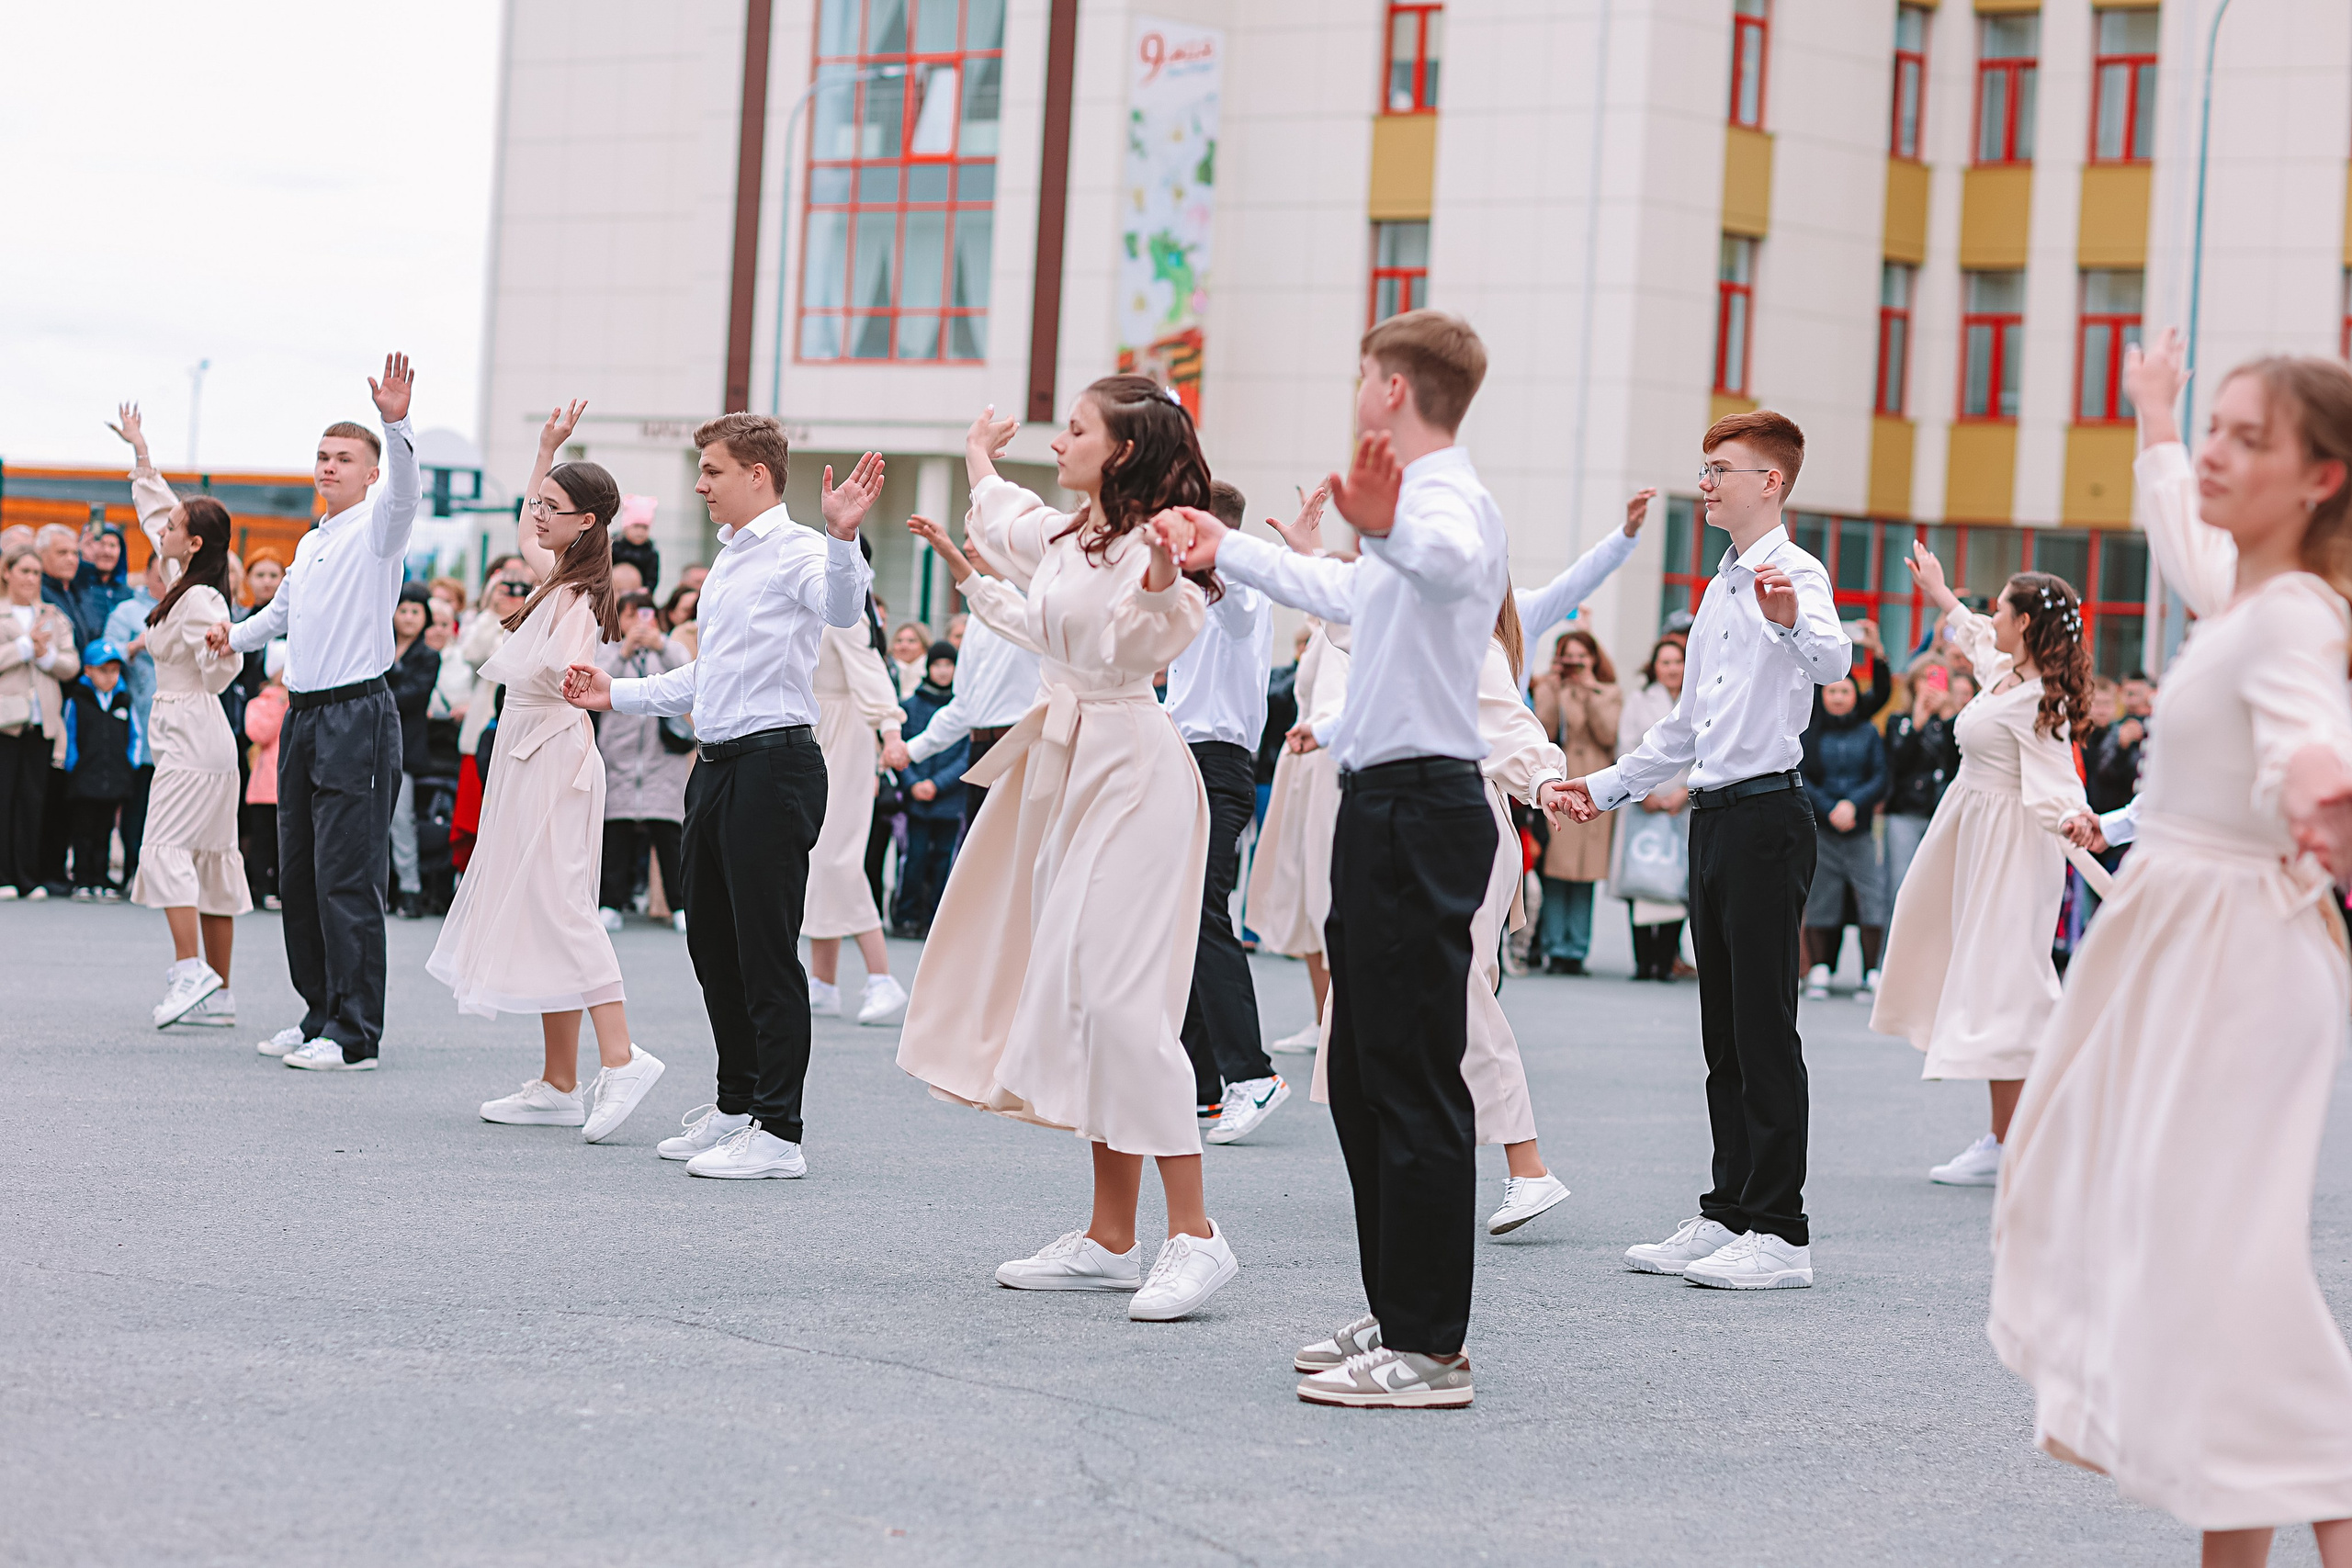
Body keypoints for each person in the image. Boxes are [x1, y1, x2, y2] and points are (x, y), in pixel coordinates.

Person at [1996, 332, 2352, 1566]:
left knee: (2220, 1265)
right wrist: (2155, 415)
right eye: (2220, 424)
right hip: (2207, 948)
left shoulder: (2294, 617)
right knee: (2201, 1263)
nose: (2217, 450)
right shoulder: (2246, 593)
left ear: (2321, 479)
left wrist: (2325, 792)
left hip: (2238, 964)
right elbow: (2191, 547)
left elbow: (2308, 728)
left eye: (2251, 439)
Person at [1164, 310, 1528, 1406]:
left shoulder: (1444, 497)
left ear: (1390, 390)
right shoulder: (1408, 506)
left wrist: (1388, 529)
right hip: (1385, 802)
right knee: (1366, 1076)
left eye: (1363, 372)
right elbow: (1348, 594)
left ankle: (1430, 1350)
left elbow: (1448, 559)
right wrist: (1227, 547)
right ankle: (1401, 1306)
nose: (1354, 386)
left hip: (1422, 803)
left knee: (1410, 1078)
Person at [897, 381, 1236, 1325]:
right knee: (1085, 994)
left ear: (1122, 450)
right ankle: (1111, 1237)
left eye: (1077, 429)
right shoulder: (1068, 538)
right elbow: (1012, 531)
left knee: (1123, 999)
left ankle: (1197, 1234)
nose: (1059, 440)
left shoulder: (1153, 546)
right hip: (1070, 768)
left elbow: (1149, 634)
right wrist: (975, 456)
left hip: (1133, 770)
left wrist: (1166, 576)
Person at [1562, 408, 1849, 1292]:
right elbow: (1684, 729)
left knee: (1766, 1028)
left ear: (1773, 482)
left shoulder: (1793, 572)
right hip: (1715, 815)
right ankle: (1728, 1210)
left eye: (1723, 467)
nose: (1707, 480)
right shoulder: (1721, 584)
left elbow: (1834, 664)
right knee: (1722, 1031)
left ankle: (1782, 1232)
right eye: (1705, 465)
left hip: (1770, 818)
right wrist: (1601, 788)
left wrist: (1794, 620)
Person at [563, 416, 885, 1179]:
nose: (701, 484)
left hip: (776, 767)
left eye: (711, 471)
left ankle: (780, 1131)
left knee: (765, 951)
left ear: (758, 476)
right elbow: (707, 679)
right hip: (717, 765)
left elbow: (842, 611)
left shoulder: (805, 547)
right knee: (711, 943)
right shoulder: (732, 558)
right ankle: (737, 1104)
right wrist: (618, 692)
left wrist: (842, 538)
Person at [431, 401, 664, 1143]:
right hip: (528, 750)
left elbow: (577, 671)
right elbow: (526, 532)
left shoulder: (583, 596)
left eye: (553, 508)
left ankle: (620, 1058)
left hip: (555, 754)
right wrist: (544, 450)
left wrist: (574, 672)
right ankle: (561, 1081)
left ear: (587, 522)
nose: (538, 515)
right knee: (539, 905)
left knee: (562, 905)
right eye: (538, 504)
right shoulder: (560, 577)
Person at [210, 353, 422, 1072]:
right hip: (302, 720)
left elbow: (406, 494)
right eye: (323, 457)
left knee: (346, 877)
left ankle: (356, 1034)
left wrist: (394, 424)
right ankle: (318, 1012)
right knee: (297, 875)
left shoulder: (378, 529)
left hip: (357, 716)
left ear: (369, 473)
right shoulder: (311, 540)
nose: (329, 467)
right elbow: (280, 614)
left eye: (344, 458)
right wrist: (229, 636)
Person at [1869, 544, 2091, 1186]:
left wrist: (2076, 821)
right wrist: (1939, 592)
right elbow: (1970, 636)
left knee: (2008, 983)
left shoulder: (2039, 698)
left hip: (2013, 845)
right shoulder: (2004, 671)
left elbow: (2055, 778)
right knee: (1986, 976)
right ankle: (2012, 1136)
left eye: (2000, 610)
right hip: (1972, 831)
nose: (1990, 618)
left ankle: (2013, 1139)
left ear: (2024, 623)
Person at [114, 405, 254, 1027]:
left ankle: (191, 969)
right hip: (199, 733)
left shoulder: (199, 598)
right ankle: (220, 994)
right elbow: (154, 508)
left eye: (173, 527)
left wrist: (222, 648)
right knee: (210, 856)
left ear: (193, 542)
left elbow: (222, 669)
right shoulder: (187, 577)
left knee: (163, 845)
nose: (162, 530)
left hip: (193, 728)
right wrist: (142, 453)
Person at [1164, 479, 1284, 1143]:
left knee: (1206, 915)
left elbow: (1235, 614)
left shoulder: (1240, 585)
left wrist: (1215, 553)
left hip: (1220, 764)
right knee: (1183, 918)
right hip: (1182, 759)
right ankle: (1202, 1083)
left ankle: (1253, 1075)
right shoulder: (1188, 593)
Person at [804, 558, 912, 1025]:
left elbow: (871, 673)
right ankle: (823, 984)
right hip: (814, 729)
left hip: (844, 737)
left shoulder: (847, 613)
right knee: (818, 857)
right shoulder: (814, 602)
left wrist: (890, 732)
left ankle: (882, 978)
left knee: (837, 857)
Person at [902, 528, 1043, 844]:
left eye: (976, 536)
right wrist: (912, 750)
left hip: (1020, 749)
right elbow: (965, 704)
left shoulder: (1034, 599)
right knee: (979, 856)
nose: (967, 546)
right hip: (980, 752)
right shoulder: (977, 616)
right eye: (964, 537)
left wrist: (953, 559)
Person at [594, 589, 692, 932]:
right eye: (631, 614)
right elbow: (597, 682)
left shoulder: (668, 647)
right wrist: (624, 651)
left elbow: (688, 674)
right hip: (618, 754)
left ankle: (681, 906)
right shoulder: (605, 648)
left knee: (668, 833)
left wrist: (659, 646)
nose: (638, 622)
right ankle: (610, 902)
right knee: (616, 832)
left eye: (645, 614)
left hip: (660, 756)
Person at [1799, 658, 1893, 1001]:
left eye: (1845, 692)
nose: (1838, 698)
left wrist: (1854, 804)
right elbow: (1803, 776)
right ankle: (1821, 968)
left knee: (1871, 897)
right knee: (1822, 897)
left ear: (1855, 695)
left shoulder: (1869, 732)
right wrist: (1829, 808)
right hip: (1823, 828)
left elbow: (1880, 776)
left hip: (1860, 829)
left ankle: (1871, 971)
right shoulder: (1810, 731)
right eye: (1833, 691)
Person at [1530, 629, 1621, 974]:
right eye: (1569, 657)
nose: (1575, 664)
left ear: (1594, 659)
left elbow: (1608, 734)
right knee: (1557, 869)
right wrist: (1552, 689)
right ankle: (1554, 948)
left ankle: (1576, 950)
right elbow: (1544, 731)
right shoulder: (1551, 689)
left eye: (1581, 657)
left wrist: (1587, 688)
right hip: (1561, 781)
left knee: (1585, 874)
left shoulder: (1609, 692)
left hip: (1594, 785)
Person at [1610, 633, 1692, 981]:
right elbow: (1625, 746)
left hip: (1684, 802)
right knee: (1641, 876)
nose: (1673, 668)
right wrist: (1645, 795)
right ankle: (1644, 960)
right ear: (1654, 667)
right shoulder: (1639, 701)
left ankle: (1666, 958)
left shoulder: (1700, 698)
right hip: (1643, 799)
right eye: (1666, 662)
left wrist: (1684, 793)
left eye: (1678, 661)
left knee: (1677, 880)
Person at [2, 547, 81, 898]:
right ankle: (3, 876)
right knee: (4, 798)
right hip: (5, 722)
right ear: (7, 573)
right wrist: (23, 646)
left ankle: (27, 877)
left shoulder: (53, 616)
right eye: (25, 571)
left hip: (42, 722)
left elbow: (71, 664)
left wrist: (45, 654)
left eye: (36, 572)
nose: (32, 579)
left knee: (34, 800)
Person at [891, 640, 966, 935]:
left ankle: (936, 920)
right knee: (915, 857)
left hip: (949, 797)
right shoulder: (910, 706)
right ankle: (906, 916)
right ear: (928, 667)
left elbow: (965, 757)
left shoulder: (962, 706)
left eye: (949, 665)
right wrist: (914, 784)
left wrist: (937, 784)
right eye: (938, 664)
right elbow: (901, 751)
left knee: (943, 860)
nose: (944, 671)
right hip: (917, 798)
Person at [102, 553, 163, 886]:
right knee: (138, 795)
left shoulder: (187, 607)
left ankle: (160, 872)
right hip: (137, 714)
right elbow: (105, 655)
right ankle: (133, 868)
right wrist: (134, 646)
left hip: (177, 719)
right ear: (147, 573)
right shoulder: (127, 612)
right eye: (159, 573)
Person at [62, 641, 140, 897]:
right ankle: (82, 878)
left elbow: (135, 737)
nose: (109, 677)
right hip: (85, 778)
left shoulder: (124, 700)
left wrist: (129, 765)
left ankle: (101, 878)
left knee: (105, 830)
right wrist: (74, 766)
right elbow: (69, 736)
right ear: (88, 671)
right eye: (103, 670)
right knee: (83, 830)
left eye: (114, 671)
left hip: (113, 778)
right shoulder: (78, 700)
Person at [1882, 662, 1960, 903]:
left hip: (1942, 813)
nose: (1930, 685)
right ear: (1913, 683)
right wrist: (1915, 724)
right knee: (1901, 885)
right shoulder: (1898, 721)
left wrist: (1949, 717)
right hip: (1905, 812)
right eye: (1924, 678)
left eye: (1936, 678)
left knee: (1941, 889)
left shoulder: (1955, 724)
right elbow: (1895, 765)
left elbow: (1958, 765)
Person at [386, 582, 438, 919]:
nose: (407, 617)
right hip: (371, 744)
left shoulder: (428, 656)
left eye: (415, 611)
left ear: (426, 617)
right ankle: (382, 889)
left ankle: (410, 890)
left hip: (405, 747)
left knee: (401, 821)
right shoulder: (377, 646)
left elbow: (412, 697)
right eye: (402, 609)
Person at [243, 658, 287, 911]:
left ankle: (282, 889)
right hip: (263, 787)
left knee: (286, 843)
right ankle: (262, 888)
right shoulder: (258, 704)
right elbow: (259, 734)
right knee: (263, 840)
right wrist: (280, 703)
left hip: (289, 787)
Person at [610, 496, 660, 594]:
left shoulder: (650, 552)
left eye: (645, 528)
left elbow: (652, 577)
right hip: (613, 591)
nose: (640, 532)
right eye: (636, 526)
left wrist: (647, 590)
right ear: (625, 527)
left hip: (638, 594)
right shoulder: (614, 546)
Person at [887, 621, 930, 700]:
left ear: (924, 646)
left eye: (911, 641)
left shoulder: (931, 674)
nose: (904, 646)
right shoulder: (885, 671)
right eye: (899, 641)